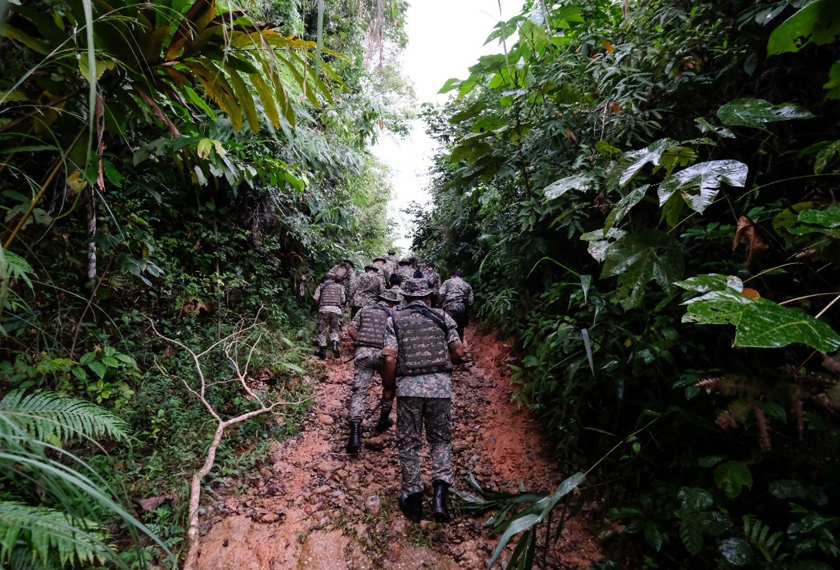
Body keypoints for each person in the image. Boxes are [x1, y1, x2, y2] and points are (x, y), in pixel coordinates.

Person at [380, 279, 464, 524]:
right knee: (440, 441)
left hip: (408, 389)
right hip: (440, 389)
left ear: (405, 298)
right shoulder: (444, 316)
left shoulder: (393, 319)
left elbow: (388, 359)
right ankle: (439, 497)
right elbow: (458, 352)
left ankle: (414, 498)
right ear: (428, 297)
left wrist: (388, 387)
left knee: (409, 443)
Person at [345, 289, 402, 453]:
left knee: (359, 392)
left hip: (363, 354)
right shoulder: (394, 314)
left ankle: (354, 436)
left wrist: (361, 343)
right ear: (392, 303)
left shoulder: (364, 310)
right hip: (385, 356)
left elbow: (351, 330)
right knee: (389, 387)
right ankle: (383, 420)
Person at [313, 272, 345, 359]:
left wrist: (318, 305)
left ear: (324, 279)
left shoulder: (321, 286)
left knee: (322, 330)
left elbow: (315, 298)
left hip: (323, 310)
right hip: (335, 310)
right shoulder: (339, 287)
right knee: (334, 330)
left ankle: (322, 352)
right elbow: (343, 299)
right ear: (334, 280)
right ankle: (334, 345)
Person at [439, 269, 474, 341]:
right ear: (462, 277)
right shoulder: (467, 285)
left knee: (448, 328)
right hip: (462, 308)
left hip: (449, 307)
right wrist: (466, 310)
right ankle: (459, 346)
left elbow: (441, 294)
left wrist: (439, 305)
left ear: (452, 276)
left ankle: (449, 346)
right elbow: (470, 301)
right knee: (460, 329)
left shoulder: (447, 282)